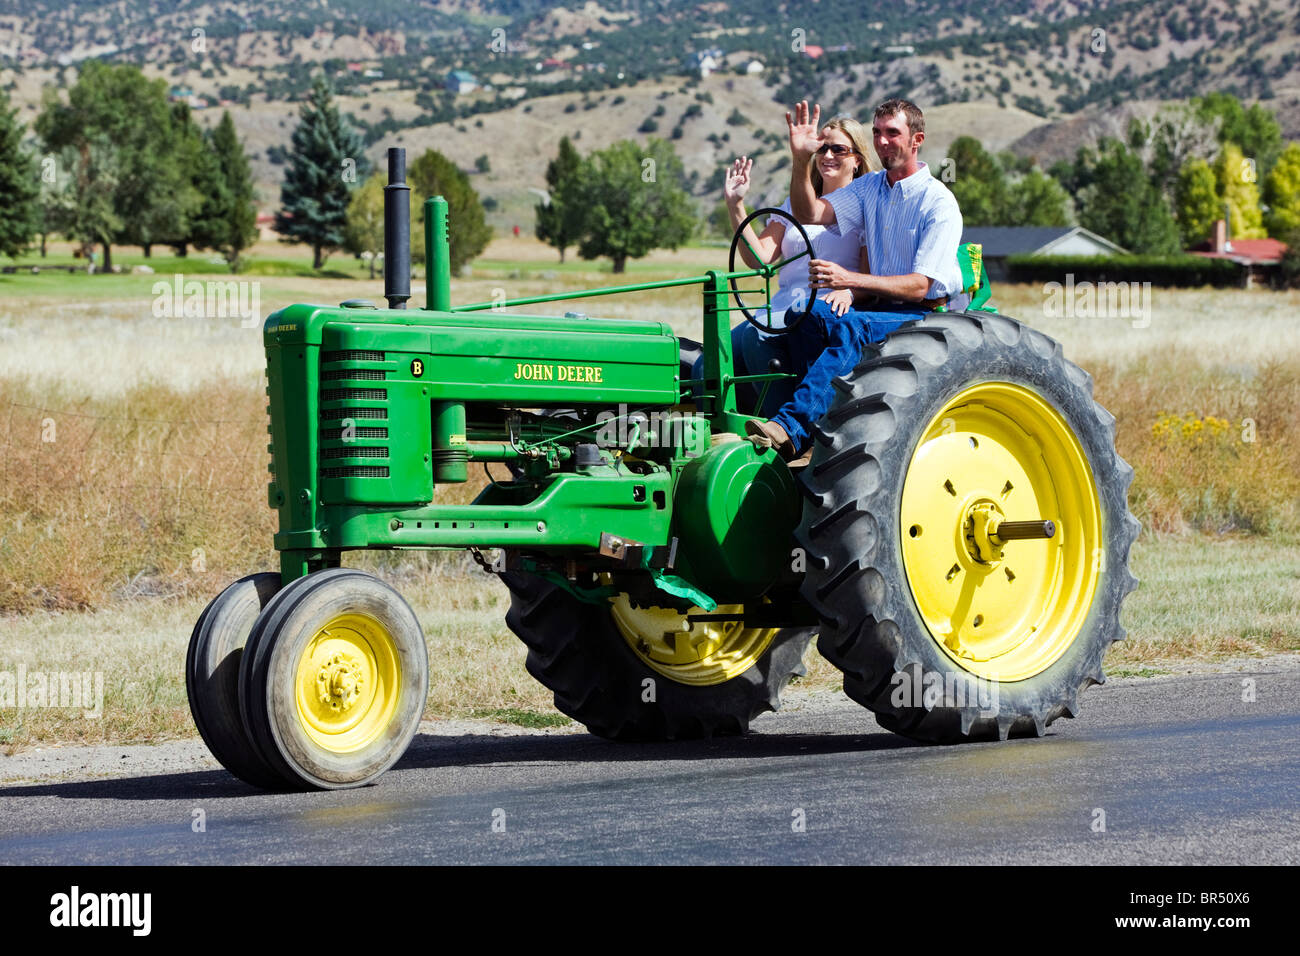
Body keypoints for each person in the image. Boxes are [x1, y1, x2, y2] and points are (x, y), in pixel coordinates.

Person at [746, 99, 964, 460]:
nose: (882, 141)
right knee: (809, 315)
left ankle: (792, 427)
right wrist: (801, 160)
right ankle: (818, 430)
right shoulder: (871, 189)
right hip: (883, 306)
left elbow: (922, 286)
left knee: (853, 327)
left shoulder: (937, 203)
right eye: (877, 132)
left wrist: (852, 280)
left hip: (923, 312)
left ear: (916, 140)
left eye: (893, 133)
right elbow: (810, 212)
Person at [701, 116, 873, 417]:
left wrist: (850, 291)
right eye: (821, 148)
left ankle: (785, 434)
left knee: (758, 341)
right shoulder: (795, 203)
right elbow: (761, 257)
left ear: (857, 159)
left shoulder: (864, 206)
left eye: (838, 150)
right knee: (712, 360)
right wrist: (736, 206)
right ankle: (720, 434)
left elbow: (868, 274)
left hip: (825, 308)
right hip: (781, 308)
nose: (827, 156)